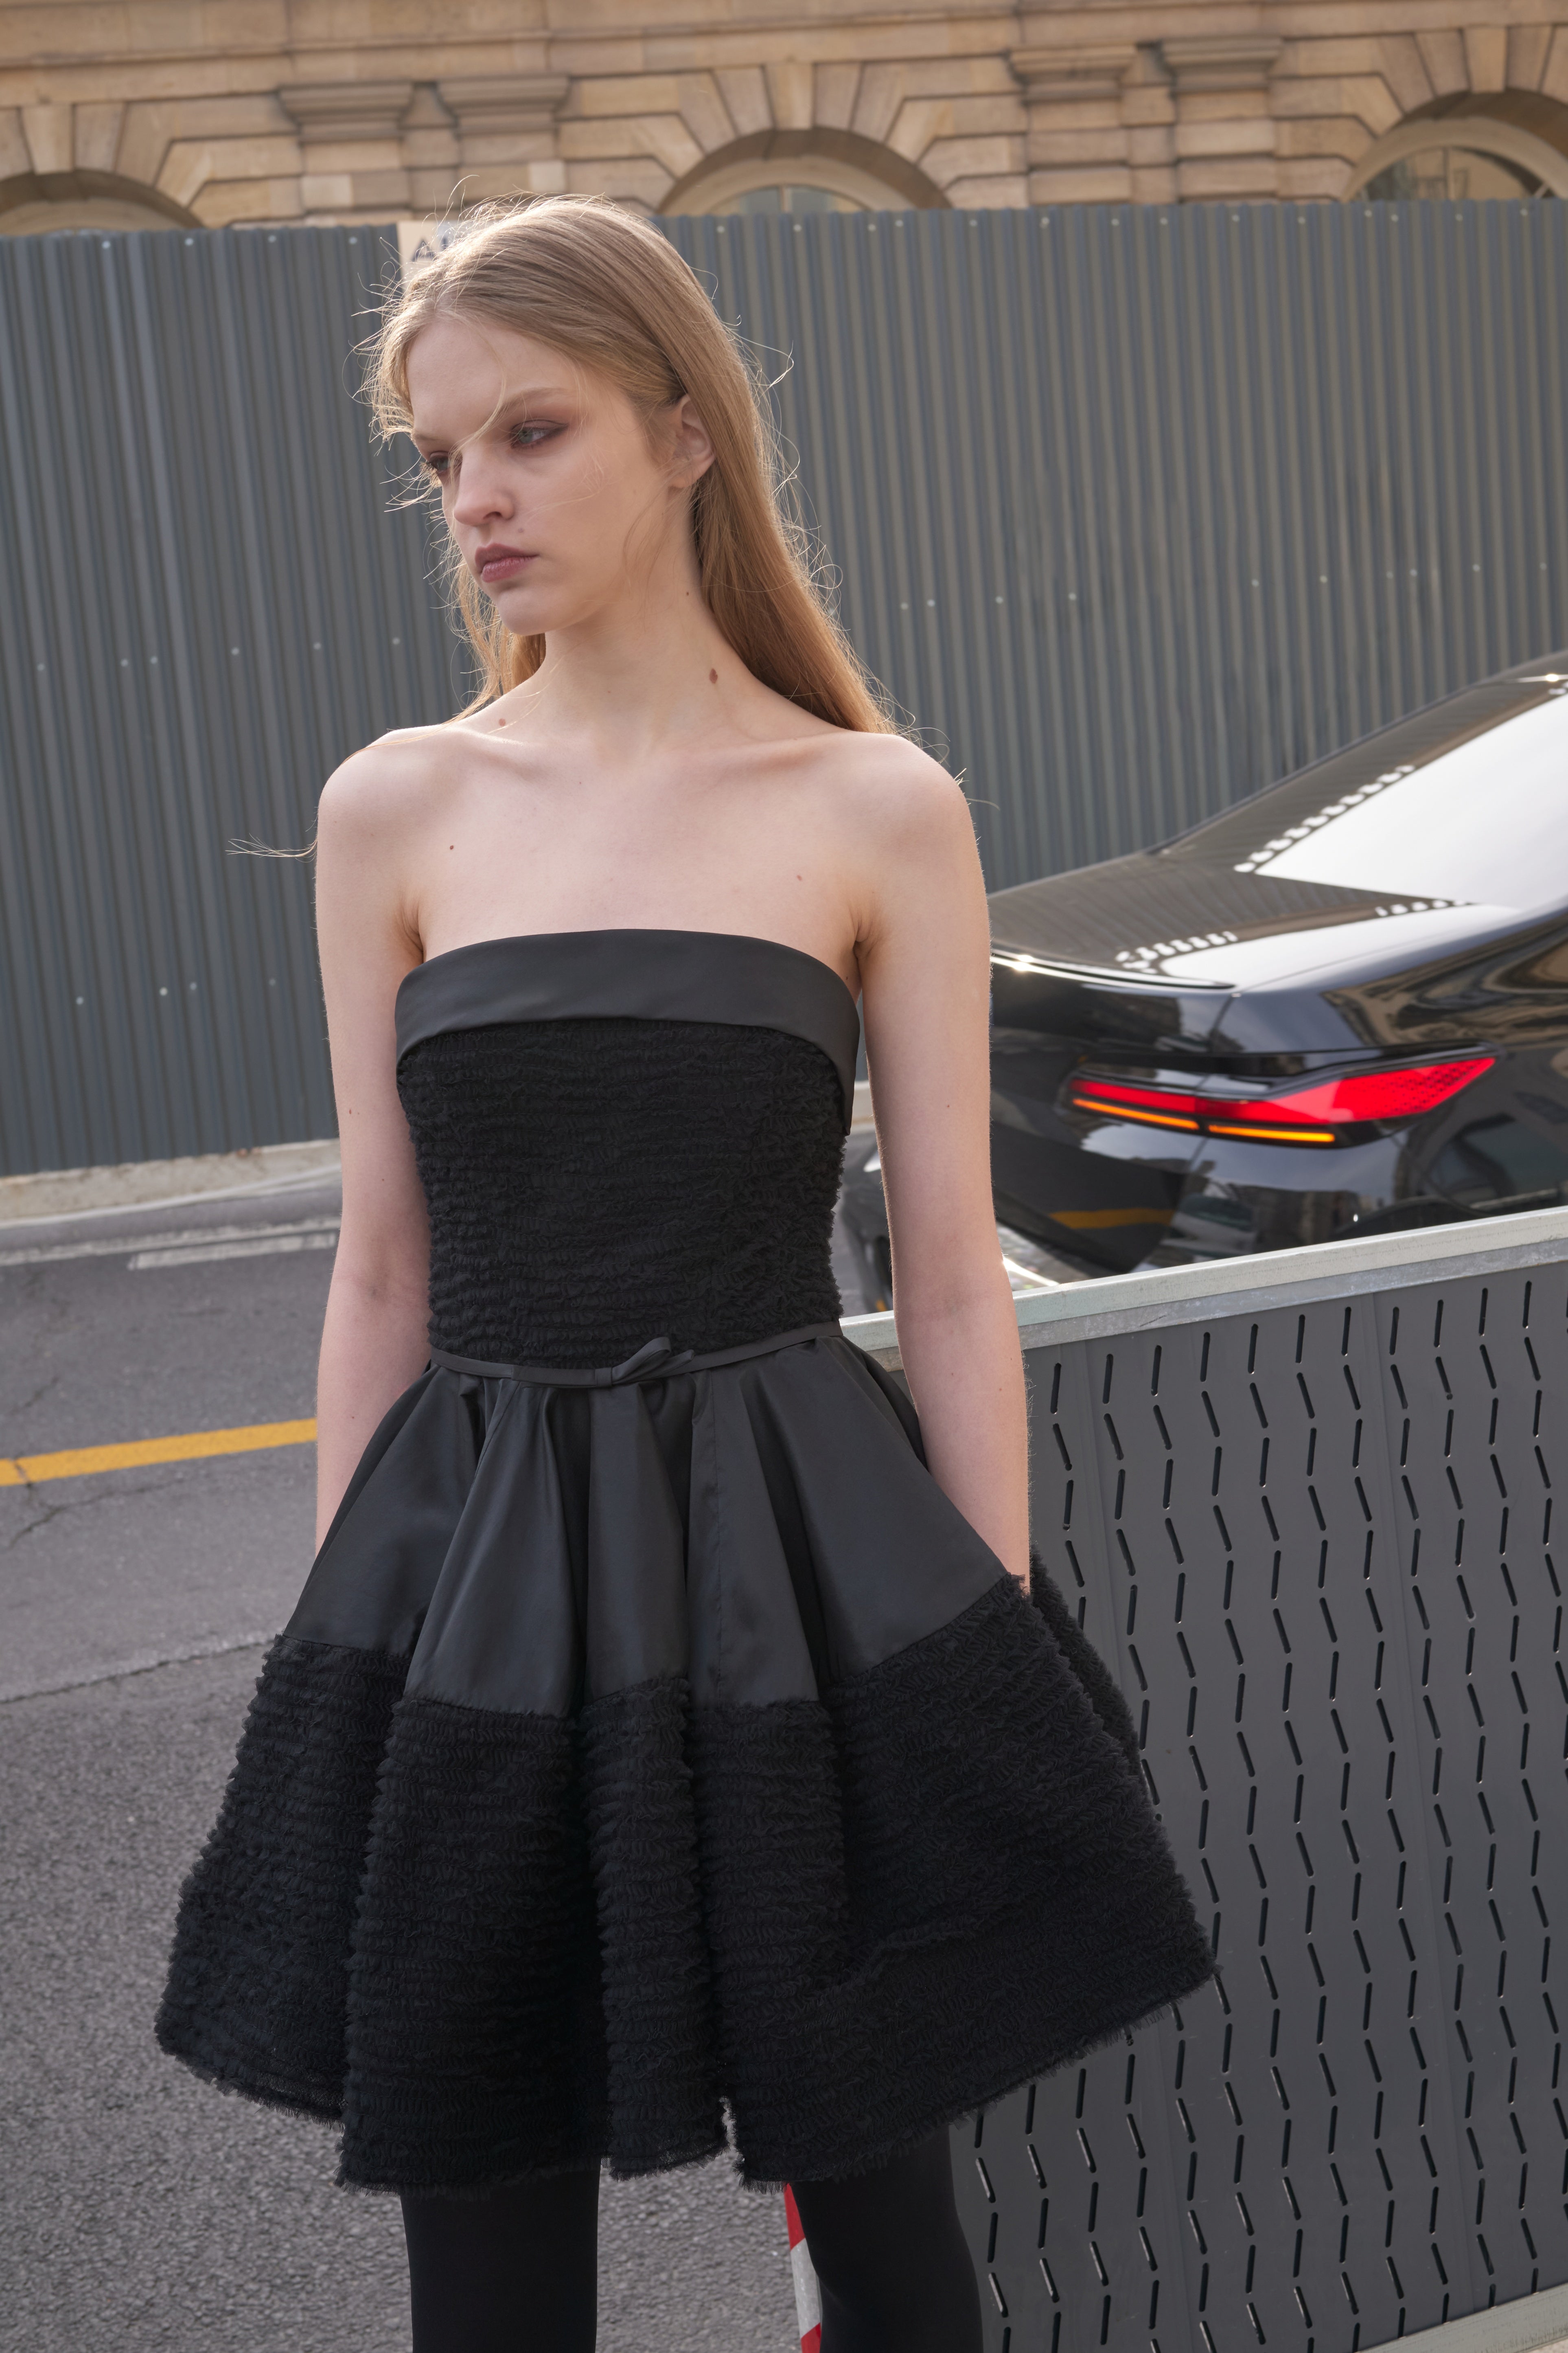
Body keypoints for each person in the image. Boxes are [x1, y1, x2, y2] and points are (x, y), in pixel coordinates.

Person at [155, 194, 1213, 2351]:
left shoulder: (878, 806)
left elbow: (942, 1269)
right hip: (480, 1572)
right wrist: (347, 1635)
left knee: (891, 2211)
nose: (478, 501)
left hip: (809, 1565)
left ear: (684, 431)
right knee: (487, 2215)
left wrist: (979, 1641)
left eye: (530, 434)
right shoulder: (394, 810)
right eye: (441, 456)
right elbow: (384, 1269)